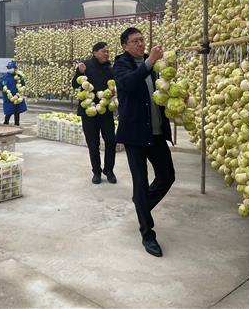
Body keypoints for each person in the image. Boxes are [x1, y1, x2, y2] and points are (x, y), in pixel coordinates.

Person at [113, 27, 175, 258]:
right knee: (141, 181)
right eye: (135, 41)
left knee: (167, 176)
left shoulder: (155, 68)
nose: (140, 43)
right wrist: (148, 61)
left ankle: (142, 204)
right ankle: (148, 234)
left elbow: (160, 93)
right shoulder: (121, 65)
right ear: (125, 46)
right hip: (136, 135)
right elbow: (128, 84)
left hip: (156, 132)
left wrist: (178, 97)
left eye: (142, 40)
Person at [72, 42, 117, 185]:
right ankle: (96, 172)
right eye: (104, 51)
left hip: (105, 111)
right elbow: (75, 84)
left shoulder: (109, 68)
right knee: (93, 143)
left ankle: (109, 170)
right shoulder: (85, 66)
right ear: (95, 52)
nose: (107, 54)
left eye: (108, 52)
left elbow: (115, 84)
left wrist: (115, 91)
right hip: (89, 111)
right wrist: (79, 72)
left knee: (111, 140)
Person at [0, 61, 27, 126]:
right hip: (9, 97)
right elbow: (0, 87)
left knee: (17, 112)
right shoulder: (4, 77)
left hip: (17, 96)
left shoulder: (18, 76)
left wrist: (22, 89)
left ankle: (17, 125)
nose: (9, 69)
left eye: (11, 68)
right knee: (9, 112)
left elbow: (23, 85)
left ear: (15, 68)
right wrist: (3, 87)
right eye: (8, 68)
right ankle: (6, 123)